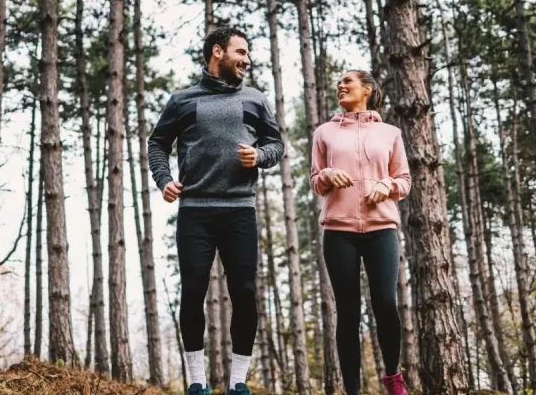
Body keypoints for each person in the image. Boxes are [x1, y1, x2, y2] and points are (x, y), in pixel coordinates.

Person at [147, 27, 284, 395]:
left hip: (240, 209)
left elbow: (276, 144)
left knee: (243, 291)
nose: (247, 60)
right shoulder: (183, 100)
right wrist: (164, 180)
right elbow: (157, 143)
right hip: (195, 210)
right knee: (192, 290)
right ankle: (197, 382)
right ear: (217, 52)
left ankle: (238, 382)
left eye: (249, 54)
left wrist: (259, 156)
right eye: (241, 52)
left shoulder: (254, 99)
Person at [309, 70, 412, 395]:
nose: (340, 86)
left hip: (381, 228)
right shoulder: (324, 132)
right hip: (339, 231)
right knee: (348, 311)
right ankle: (352, 390)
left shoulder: (390, 132)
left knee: (384, 302)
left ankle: (393, 377)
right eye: (338, 82)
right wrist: (327, 173)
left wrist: (387, 184)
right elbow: (315, 181)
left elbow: (405, 180)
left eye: (348, 82)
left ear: (366, 89)